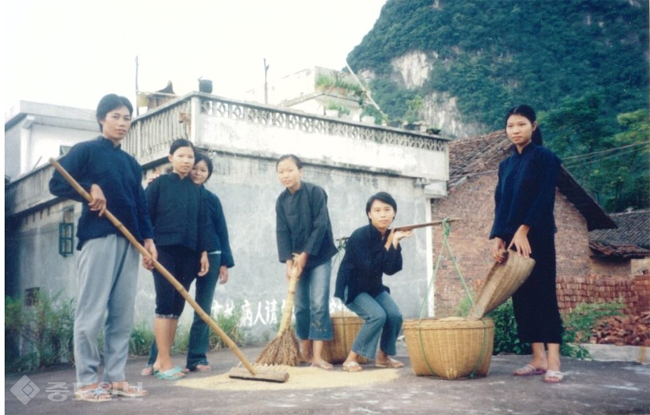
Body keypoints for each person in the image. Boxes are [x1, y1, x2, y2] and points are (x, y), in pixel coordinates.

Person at [49, 93, 156, 402]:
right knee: (91, 312)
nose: (122, 123)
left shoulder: (131, 164)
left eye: (126, 118)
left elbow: (140, 206)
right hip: (98, 237)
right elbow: (56, 183)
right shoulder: (86, 152)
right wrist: (87, 191)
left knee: (122, 315)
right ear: (101, 119)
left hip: (130, 241)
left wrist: (148, 241)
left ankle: (115, 379)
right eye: (116, 117)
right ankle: (85, 382)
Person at [141, 152, 235, 375]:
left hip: (210, 255)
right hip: (186, 253)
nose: (198, 173)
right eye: (196, 168)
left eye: (203, 170)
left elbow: (222, 231)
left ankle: (196, 357)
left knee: (203, 308)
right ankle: (156, 359)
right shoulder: (170, 189)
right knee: (172, 303)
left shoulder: (210, 199)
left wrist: (224, 262)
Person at [490, 104, 564, 384]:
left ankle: (555, 360)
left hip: (538, 236)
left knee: (543, 293)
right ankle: (537, 359)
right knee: (521, 298)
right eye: (510, 126)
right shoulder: (505, 166)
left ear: (533, 126)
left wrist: (524, 229)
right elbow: (502, 204)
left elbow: (544, 197)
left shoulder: (545, 157)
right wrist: (499, 239)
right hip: (511, 238)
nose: (515, 130)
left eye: (521, 124)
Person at [145, 138, 210, 380]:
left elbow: (203, 224)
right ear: (170, 157)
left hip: (190, 254)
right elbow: (145, 216)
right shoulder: (159, 184)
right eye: (181, 156)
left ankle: (164, 360)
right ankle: (163, 362)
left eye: (190, 157)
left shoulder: (197, 191)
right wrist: (146, 246)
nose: (186, 161)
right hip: (164, 251)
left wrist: (203, 252)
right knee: (164, 302)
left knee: (177, 305)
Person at [334, 192, 412, 372]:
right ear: (369, 214)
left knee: (394, 315)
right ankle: (351, 359)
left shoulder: (389, 235)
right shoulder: (360, 235)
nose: (383, 214)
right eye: (377, 210)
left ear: (394, 213)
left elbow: (392, 268)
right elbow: (368, 267)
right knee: (377, 316)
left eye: (387, 209)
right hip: (352, 287)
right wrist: (389, 243)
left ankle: (383, 357)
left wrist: (395, 242)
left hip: (373, 287)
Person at [275, 154, 338, 369]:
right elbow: (281, 232)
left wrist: (305, 254)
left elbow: (321, 226)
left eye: (290, 170)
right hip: (296, 258)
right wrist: (288, 261)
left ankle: (318, 357)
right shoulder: (281, 201)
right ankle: (306, 352)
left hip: (319, 255)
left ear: (300, 171)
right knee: (301, 306)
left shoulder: (315, 192)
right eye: (281, 171)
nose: (285, 175)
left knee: (318, 303)